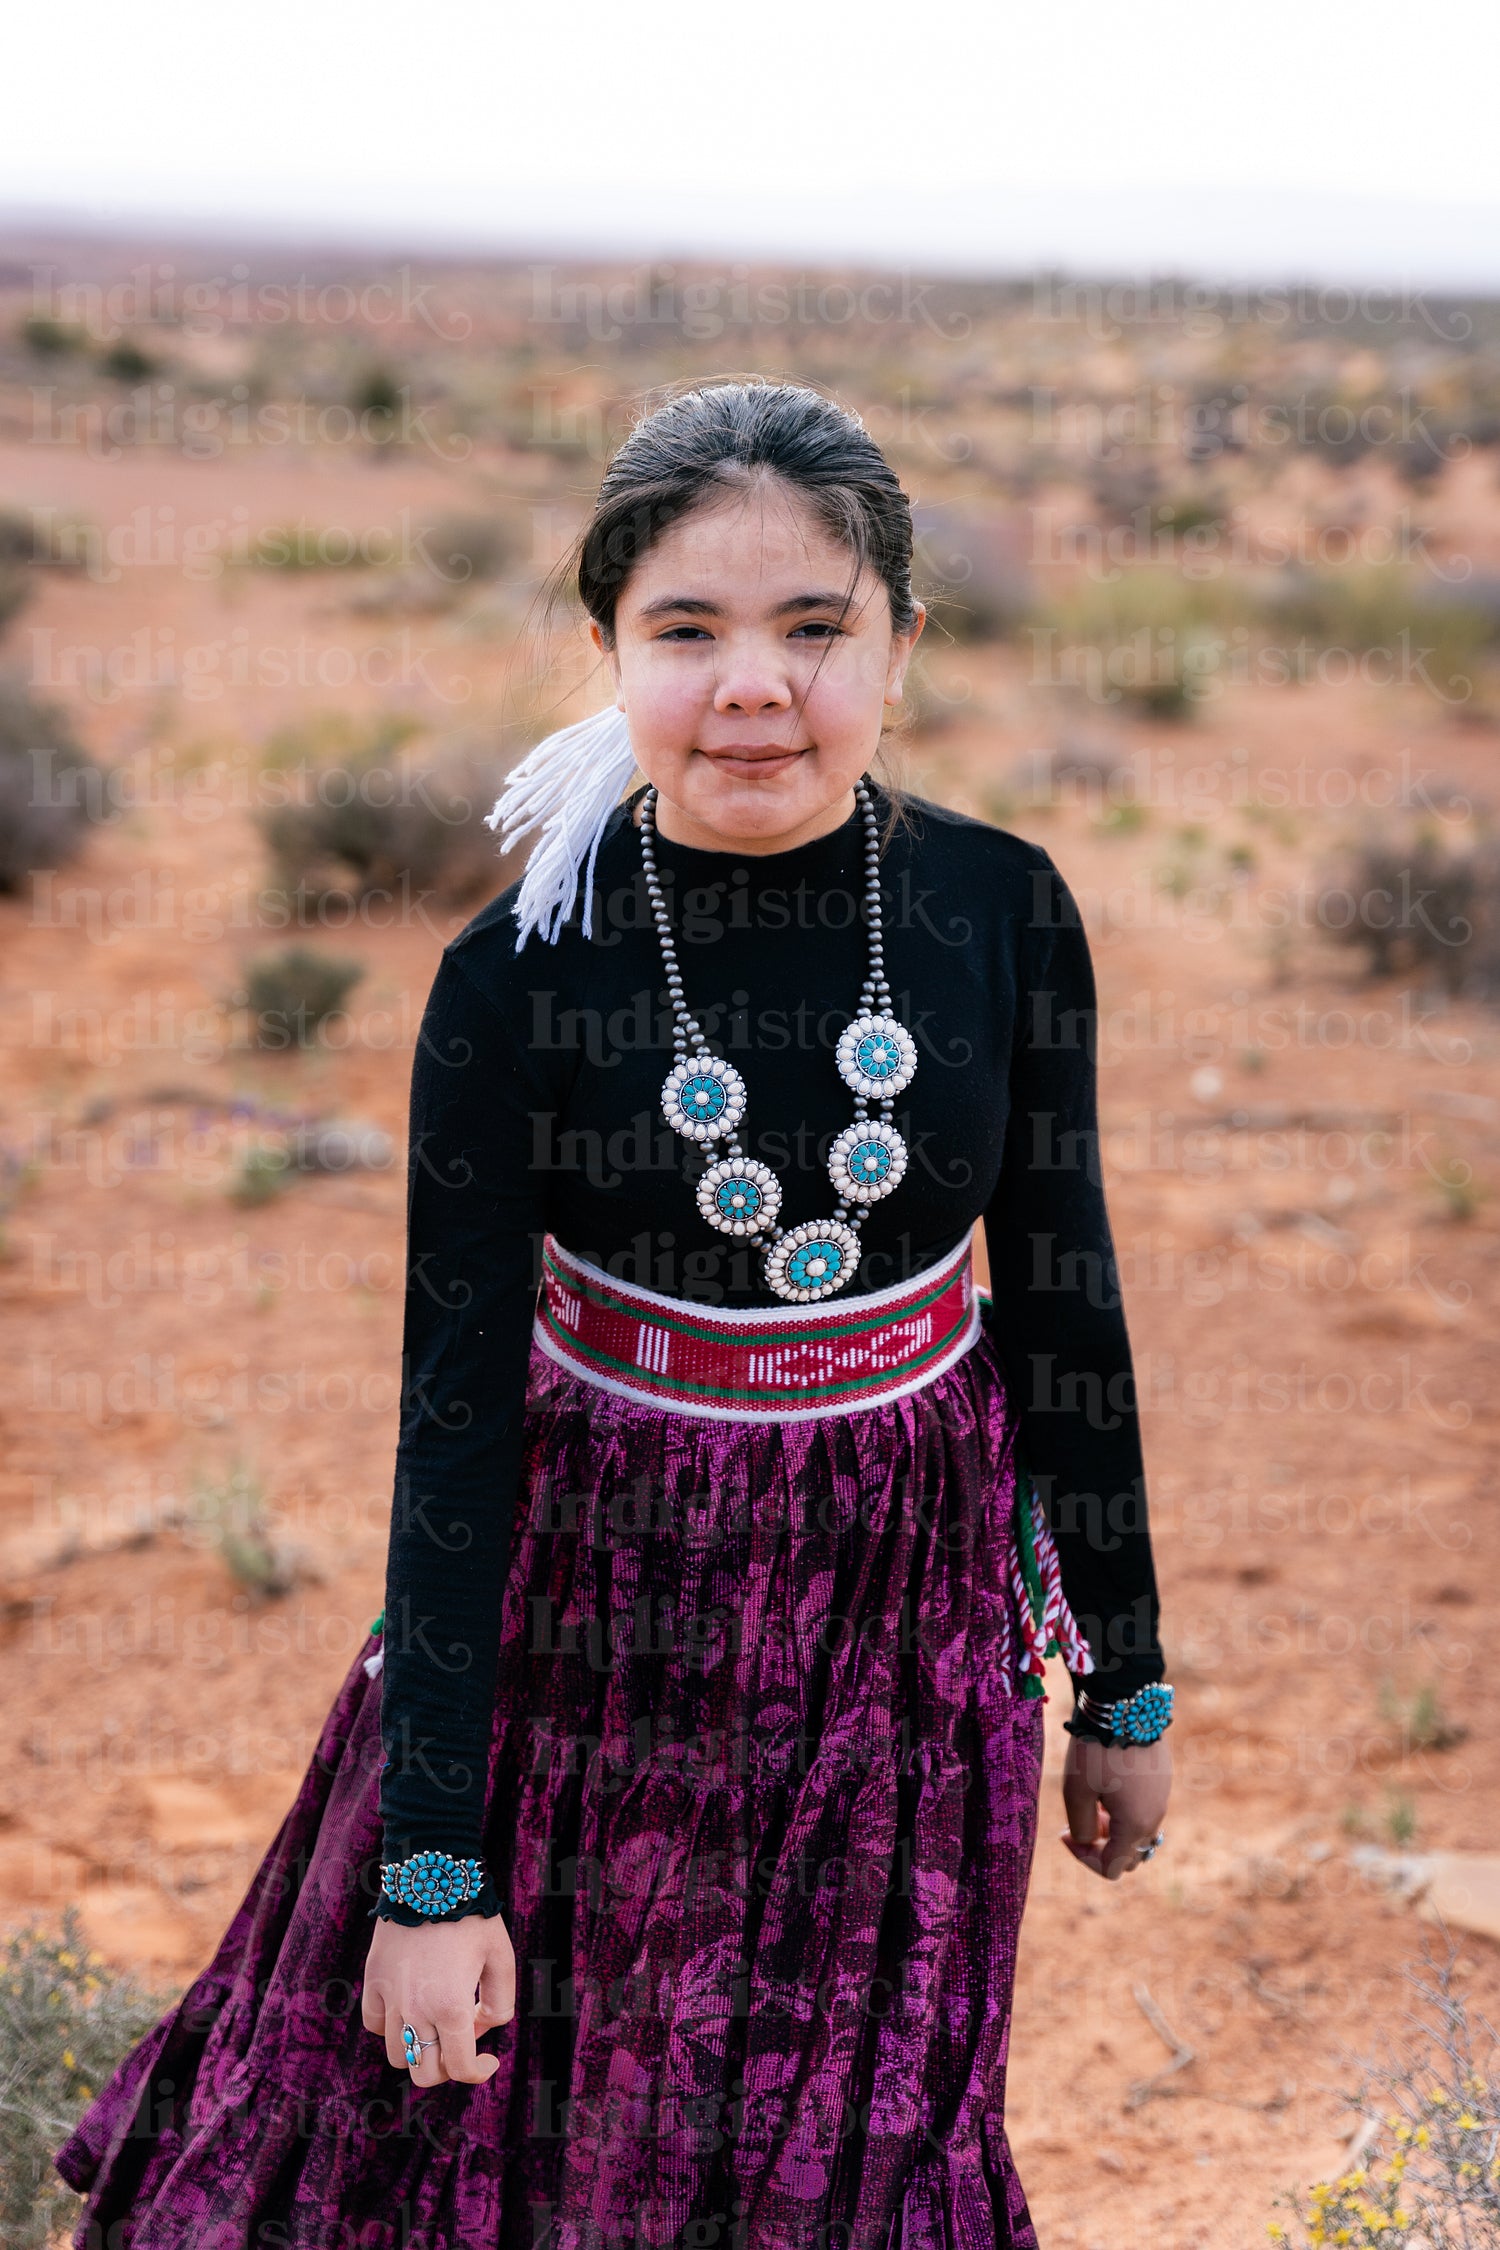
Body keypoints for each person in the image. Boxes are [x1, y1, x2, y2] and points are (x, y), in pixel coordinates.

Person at [55, 379, 1172, 2250]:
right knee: (520, 2127)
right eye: (688, 630)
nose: (756, 685)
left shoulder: (1001, 908)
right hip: (591, 1623)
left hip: (905, 1641)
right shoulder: (516, 977)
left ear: (902, 639)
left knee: (856, 2128)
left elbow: (1067, 1300)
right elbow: (455, 1418)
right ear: (608, 649)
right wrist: (428, 1869)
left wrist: (1123, 1678)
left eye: (817, 629)